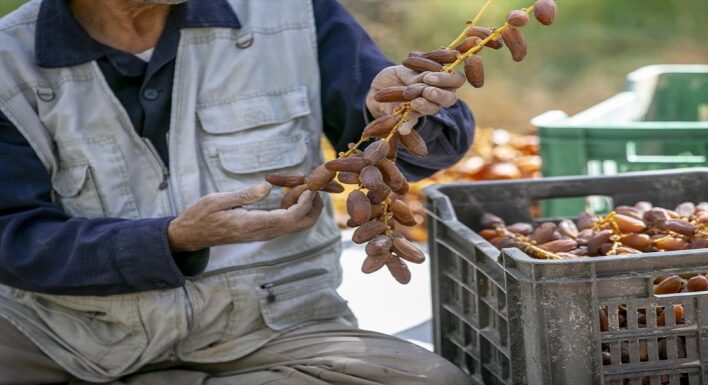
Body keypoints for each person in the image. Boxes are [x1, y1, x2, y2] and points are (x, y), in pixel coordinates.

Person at [0, 0, 475, 384]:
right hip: (63, 337)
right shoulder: (8, 62)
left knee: (430, 379)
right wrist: (171, 240)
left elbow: (406, 148)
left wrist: (405, 111)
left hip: (267, 331)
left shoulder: (290, 13)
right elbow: (13, 237)